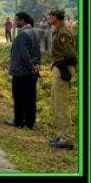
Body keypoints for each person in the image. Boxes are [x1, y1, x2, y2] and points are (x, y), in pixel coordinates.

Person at [4, 12, 41, 130]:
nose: (15, 22)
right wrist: (36, 66)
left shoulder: (22, 34)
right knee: (30, 97)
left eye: (17, 20)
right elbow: (38, 52)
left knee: (19, 96)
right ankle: (30, 121)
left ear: (23, 21)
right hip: (32, 71)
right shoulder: (34, 32)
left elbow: (24, 54)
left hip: (21, 72)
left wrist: (30, 67)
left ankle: (18, 121)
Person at [48, 9, 77, 150]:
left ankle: (66, 138)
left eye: (50, 16)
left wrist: (62, 64)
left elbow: (70, 54)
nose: (48, 18)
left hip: (63, 68)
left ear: (55, 17)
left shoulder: (63, 33)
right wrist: (55, 61)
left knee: (61, 103)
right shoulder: (58, 31)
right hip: (59, 67)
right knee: (55, 102)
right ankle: (61, 135)